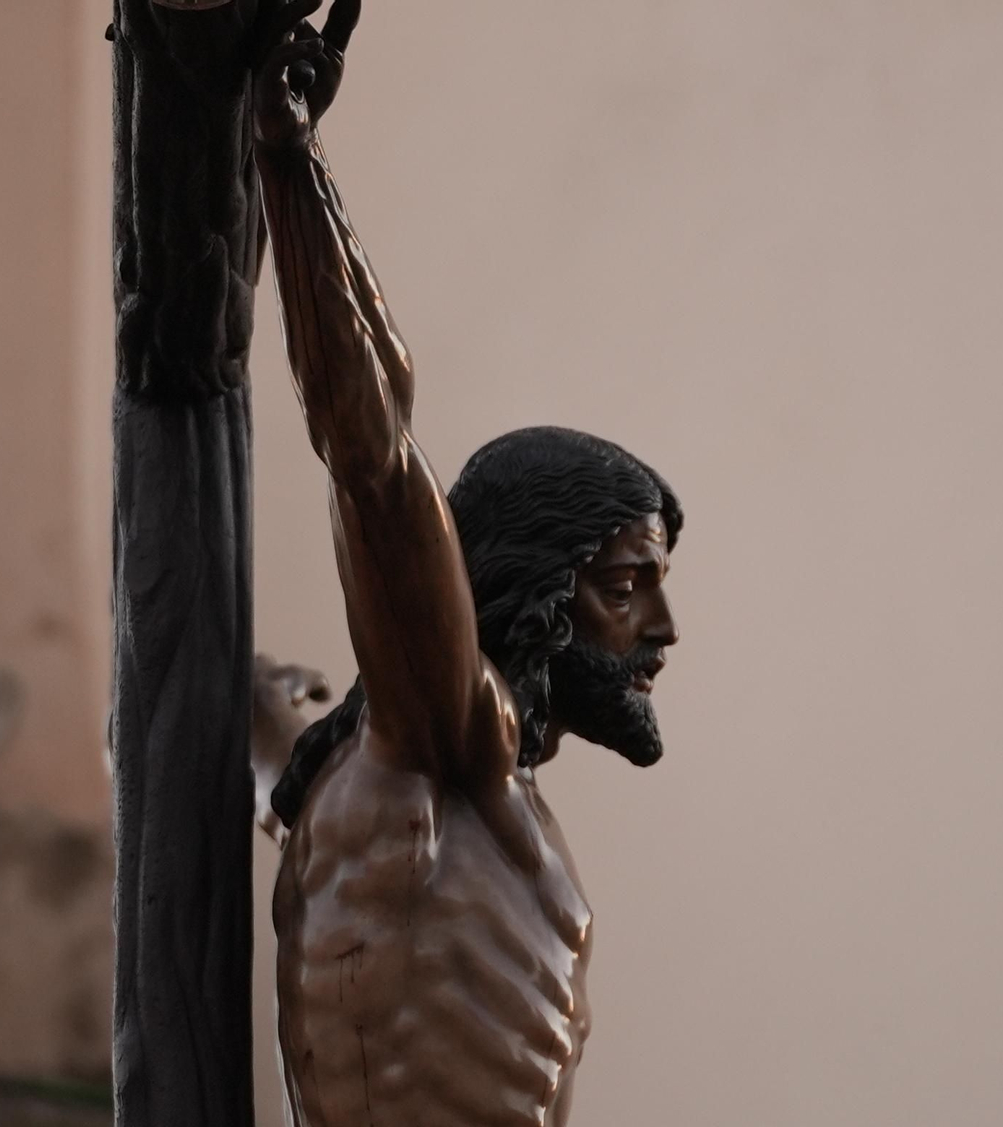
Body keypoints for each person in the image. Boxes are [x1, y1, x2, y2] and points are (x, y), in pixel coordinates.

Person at [248, 3, 684, 1123]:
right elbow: (373, 454)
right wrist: (288, 159)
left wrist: (253, 724)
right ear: (530, 586)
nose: (662, 630)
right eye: (625, 581)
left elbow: (266, 728)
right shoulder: (438, 733)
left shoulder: (455, 774)